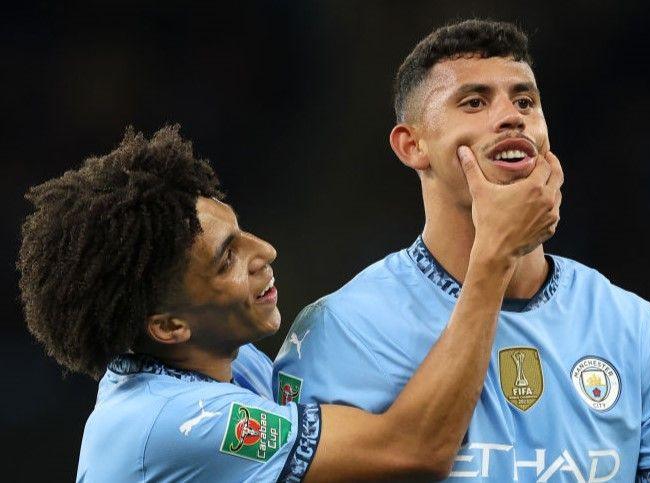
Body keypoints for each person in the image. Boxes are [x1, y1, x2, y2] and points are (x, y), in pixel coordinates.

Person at [273, 19, 650, 482]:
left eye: (525, 100)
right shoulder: (343, 329)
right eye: (474, 102)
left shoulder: (631, 326)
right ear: (412, 145)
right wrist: (496, 253)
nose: (512, 116)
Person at [17, 124, 561, 481]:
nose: (265, 252)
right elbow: (415, 451)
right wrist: (492, 257)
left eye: (242, 231)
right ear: (168, 325)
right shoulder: (173, 423)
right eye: (227, 259)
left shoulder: (234, 367)